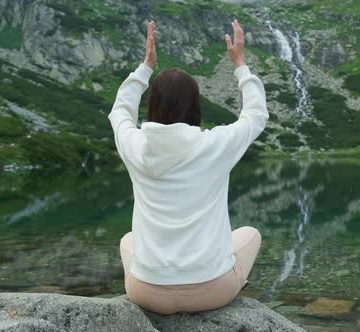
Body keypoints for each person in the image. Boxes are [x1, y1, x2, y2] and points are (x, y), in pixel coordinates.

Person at [107, 18, 268, 314]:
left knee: (128, 240)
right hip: (212, 291)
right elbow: (256, 115)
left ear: (152, 105)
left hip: (146, 293)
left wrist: (145, 67)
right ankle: (229, 285)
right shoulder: (215, 145)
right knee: (251, 235)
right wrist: (240, 64)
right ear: (195, 107)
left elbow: (119, 112)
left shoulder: (135, 146)